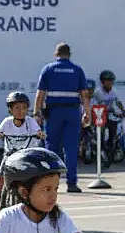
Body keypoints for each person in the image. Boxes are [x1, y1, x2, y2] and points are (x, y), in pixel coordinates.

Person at [34, 42, 90, 193]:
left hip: (53, 114)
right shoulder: (77, 70)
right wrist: (87, 113)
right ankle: (71, 184)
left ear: (55, 54)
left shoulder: (48, 69)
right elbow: (85, 94)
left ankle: (49, 184)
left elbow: (40, 94)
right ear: (69, 54)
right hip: (72, 113)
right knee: (71, 149)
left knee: (51, 148)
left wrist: (36, 113)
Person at [0, 91, 45, 210]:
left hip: (25, 156)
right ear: (10, 110)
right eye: (17, 108)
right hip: (9, 155)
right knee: (1, 174)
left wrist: (40, 134)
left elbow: (38, 131)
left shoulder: (30, 122)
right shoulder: (7, 122)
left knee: (34, 175)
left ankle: (33, 196)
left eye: (24, 108)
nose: (21, 111)